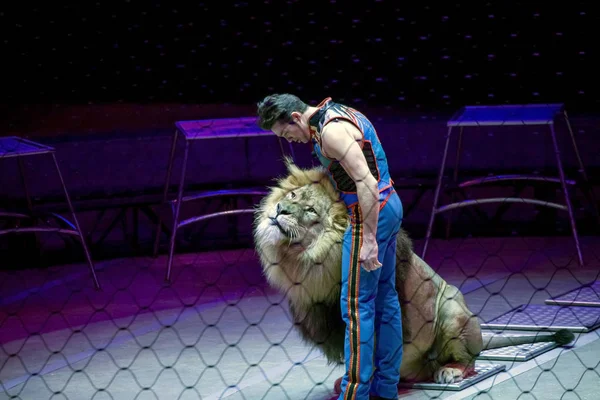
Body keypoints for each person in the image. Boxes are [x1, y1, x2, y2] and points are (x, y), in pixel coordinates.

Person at [256, 94, 404, 400]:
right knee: (385, 300)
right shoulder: (336, 111)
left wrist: (369, 239)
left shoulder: (331, 132)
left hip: (370, 211)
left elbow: (366, 183)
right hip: (388, 204)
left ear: (297, 118)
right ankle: (386, 387)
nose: (291, 141)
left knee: (355, 306)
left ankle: (355, 394)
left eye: (287, 134)